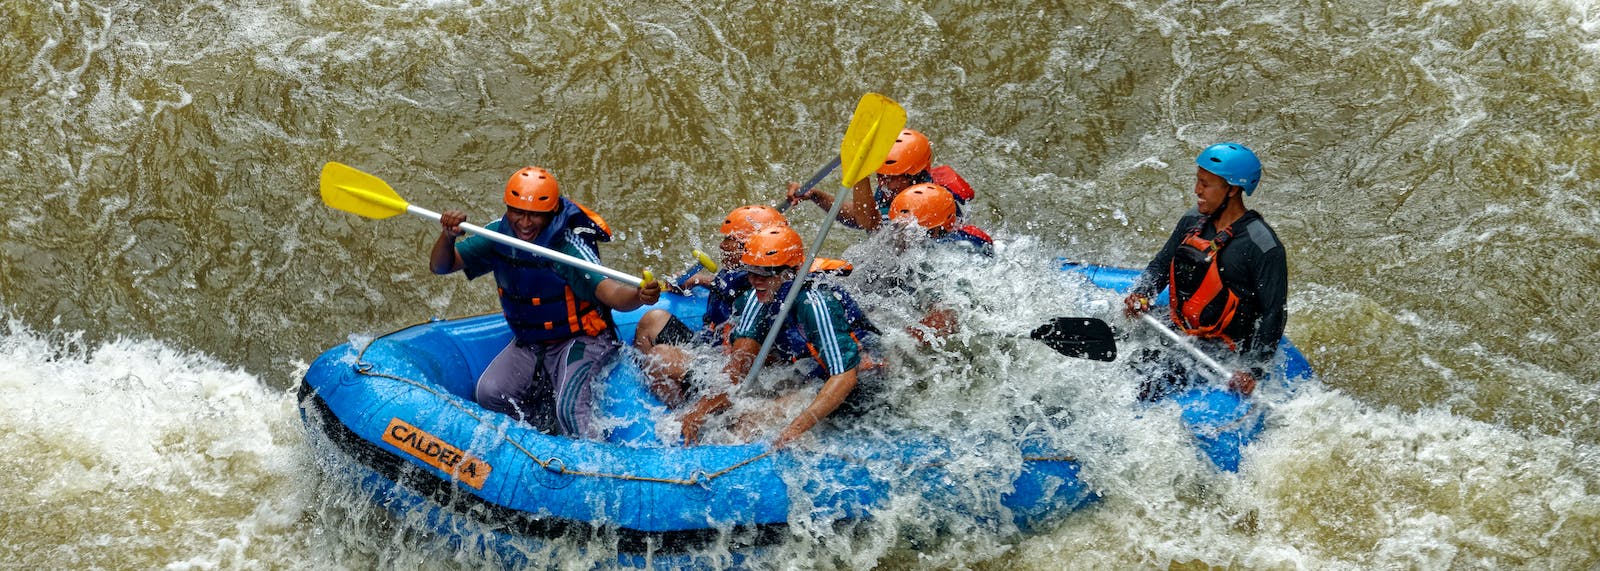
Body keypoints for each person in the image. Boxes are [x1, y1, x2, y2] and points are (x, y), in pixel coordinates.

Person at [431, 166, 661, 437]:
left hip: (582, 339)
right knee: (489, 393)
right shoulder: (498, 235)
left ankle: (588, 466)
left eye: (535, 215)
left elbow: (611, 294)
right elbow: (441, 266)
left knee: (569, 409)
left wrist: (639, 295)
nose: (525, 223)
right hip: (531, 342)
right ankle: (541, 439)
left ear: (551, 213)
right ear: (508, 208)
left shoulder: (569, 246)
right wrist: (448, 236)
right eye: (518, 212)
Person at [677, 226, 881, 448]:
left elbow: (844, 377)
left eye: (764, 273)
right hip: (809, 370)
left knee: (750, 421)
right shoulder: (758, 297)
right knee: (735, 412)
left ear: (791, 272)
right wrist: (699, 411)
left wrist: (795, 428)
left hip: (857, 379)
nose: (755, 281)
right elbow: (738, 368)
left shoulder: (816, 304)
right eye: (750, 271)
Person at [1122, 142, 1287, 401]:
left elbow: (1273, 313)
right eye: (1197, 181)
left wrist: (1253, 370)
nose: (1197, 190)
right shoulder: (1192, 221)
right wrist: (1142, 293)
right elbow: (1161, 265)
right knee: (1120, 346)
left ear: (1232, 189)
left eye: (1206, 184)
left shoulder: (1263, 246)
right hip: (1179, 327)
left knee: (1145, 385)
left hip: (1223, 348)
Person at [631, 205, 789, 407]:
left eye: (729, 240)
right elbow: (728, 286)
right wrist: (698, 280)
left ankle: (683, 411)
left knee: (660, 356)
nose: (722, 246)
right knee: (652, 319)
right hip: (711, 349)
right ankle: (660, 392)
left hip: (729, 370)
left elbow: (746, 362)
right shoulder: (743, 275)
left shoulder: (763, 292)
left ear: (749, 246)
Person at [785, 128, 975, 231]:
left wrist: (860, 174)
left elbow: (868, 223)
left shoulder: (925, 201)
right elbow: (861, 216)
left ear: (914, 175)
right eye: (880, 175)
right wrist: (816, 196)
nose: (883, 183)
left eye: (890, 178)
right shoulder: (894, 187)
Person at [880, 183, 995, 343]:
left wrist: (895, 343)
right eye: (896, 228)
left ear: (932, 232)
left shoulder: (935, 262)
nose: (897, 236)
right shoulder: (924, 244)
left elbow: (948, 318)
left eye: (908, 231)